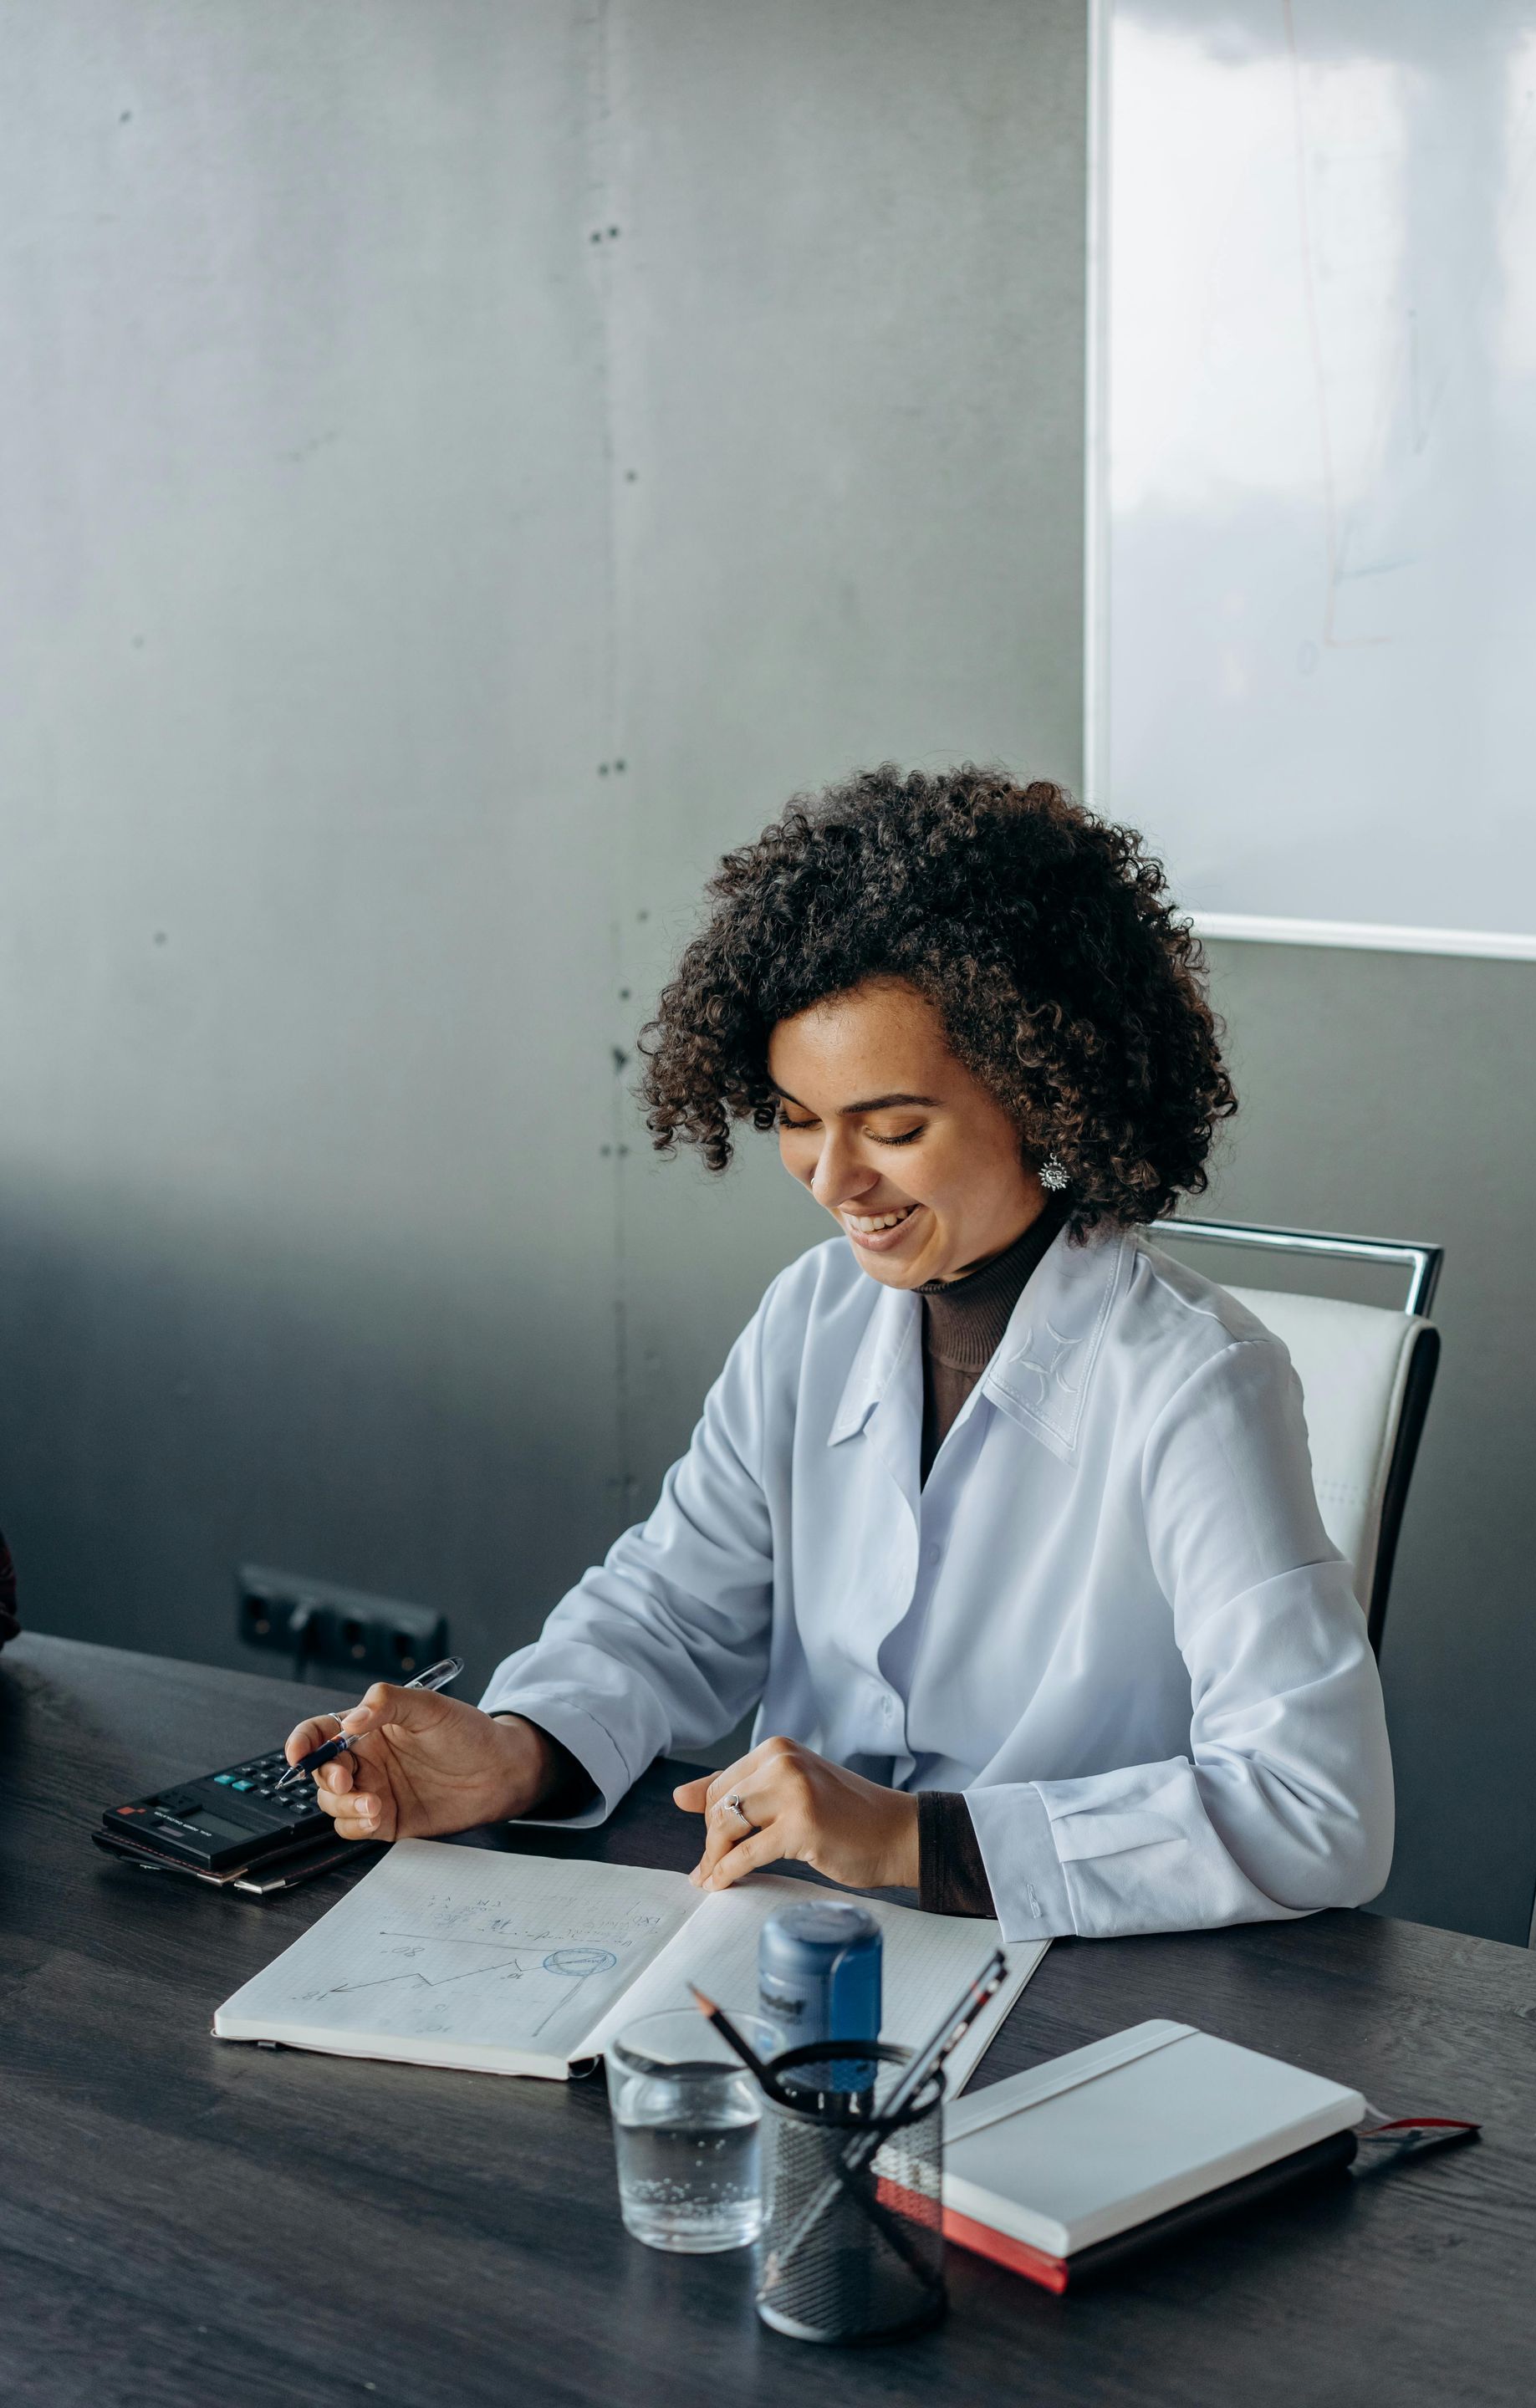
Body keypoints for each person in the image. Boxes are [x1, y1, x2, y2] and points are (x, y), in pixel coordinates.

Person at [285, 767, 1392, 1942]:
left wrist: (913, 1837)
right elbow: (672, 1613)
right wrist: (516, 1754)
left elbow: (1317, 1810)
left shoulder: (1199, 1382)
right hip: (789, 1943)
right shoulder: (813, 1314)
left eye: (895, 1128)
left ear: (1046, 1095)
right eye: (798, 1121)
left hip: (1073, 1972)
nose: (833, 1181)